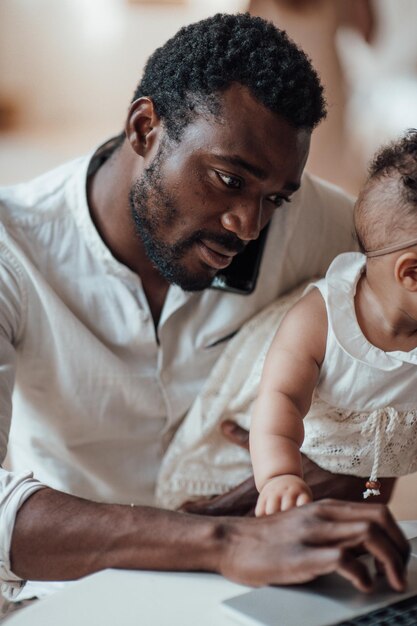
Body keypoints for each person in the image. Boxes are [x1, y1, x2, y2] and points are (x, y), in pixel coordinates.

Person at [0, 13, 409, 603]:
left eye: (275, 198)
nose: (248, 225)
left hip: (277, 594)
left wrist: (352, 473)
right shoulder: (14, 249)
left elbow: (386, 435)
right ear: (145, 128)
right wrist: (219, 540)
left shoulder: (329, 233)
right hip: (75, 598)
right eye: (227, 179)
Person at [251, 130, 417, 517]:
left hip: (364, 466)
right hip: (283, 439)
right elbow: (282, 400)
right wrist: (279, 476)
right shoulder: (317, 321)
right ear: (411, 273)